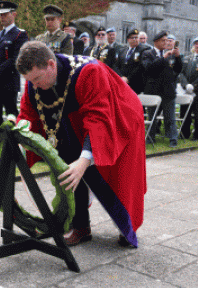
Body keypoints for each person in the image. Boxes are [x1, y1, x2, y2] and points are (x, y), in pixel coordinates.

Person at [15, 41, 146, 247]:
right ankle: (81, 227)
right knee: (69, 171)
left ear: (51, 64)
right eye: (29, 81)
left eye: (37, 78)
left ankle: (126, 226)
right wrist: (17, 146)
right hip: (72, 121)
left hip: (120, 117)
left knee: (121, 177)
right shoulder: (34, 80)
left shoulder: (89, 71)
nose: (34, 85)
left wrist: (84, 160)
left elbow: (98, 119)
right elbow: (27, 115)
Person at [0, 0, 29, 130]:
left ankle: (15, 143)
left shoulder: (19, 34)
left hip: (8, 81)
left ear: (14, 14)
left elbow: (16, 59)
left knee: (11, 114)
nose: (2, 17)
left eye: (5, 14)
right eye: (0, 15)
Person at [142, 30, 182, 147]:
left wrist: (177, 57)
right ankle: (150, 137)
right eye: (163, 40)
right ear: (156, 42)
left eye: (166, 40)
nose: (166, 42)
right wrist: (163, 58)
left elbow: (178, 69)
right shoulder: (147, 53)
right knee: (152, 117)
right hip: (153, 90)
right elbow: (149, 69)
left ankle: (173, 139)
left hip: (168, 91)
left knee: (170, 117)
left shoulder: (170, 54)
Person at [118, 28, 148, 95]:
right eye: (132, 38)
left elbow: (140, 66)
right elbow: (117, 65)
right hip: (122, 83)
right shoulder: (122, 50)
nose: (135, 39)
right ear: (128, 39)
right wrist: (121, 77)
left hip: (136, 84)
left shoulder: (143, 49)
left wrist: (128, 78)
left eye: (136, 37)